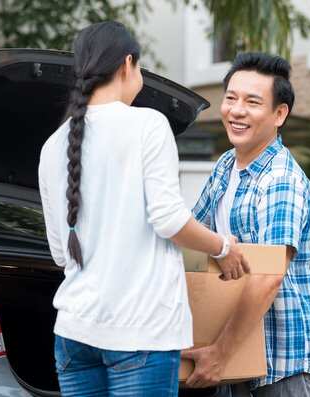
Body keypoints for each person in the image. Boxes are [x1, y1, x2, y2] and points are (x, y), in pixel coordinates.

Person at [38, 21, 248, 396]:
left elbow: (59, 253)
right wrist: (222, 247)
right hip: (140, 332)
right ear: (127, 64)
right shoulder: (149, 125)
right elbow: (168, 219)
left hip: (73, 333)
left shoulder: (53, 144)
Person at [183, 52, 310, 396]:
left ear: (279, 113)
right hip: (236, 349)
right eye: (231, 99)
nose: (236, 111)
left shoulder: (281, 179)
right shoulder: (225, 165)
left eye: (252, 102)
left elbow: (269, 276)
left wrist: (220, 355)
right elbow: (194, 239)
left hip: (283, 358)